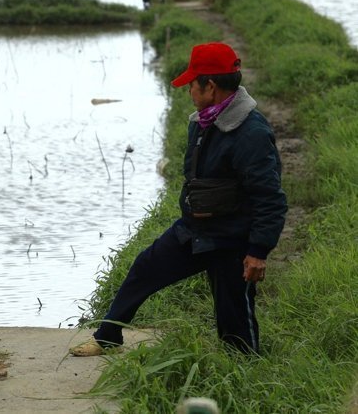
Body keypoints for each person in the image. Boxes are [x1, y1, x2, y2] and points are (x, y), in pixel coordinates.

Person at [71, 42, 287, 356]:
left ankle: (245, 374)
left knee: (235, 324)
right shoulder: (203, 122)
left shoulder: (251, 133)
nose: (188, 90)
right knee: (144, 268)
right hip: (193, 232)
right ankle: (107, 337)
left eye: (191, 84)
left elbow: (270, 198)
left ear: (210, 86)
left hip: (233, 241)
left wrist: (257, 251)